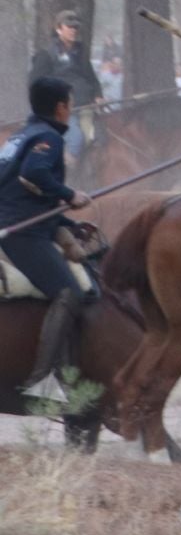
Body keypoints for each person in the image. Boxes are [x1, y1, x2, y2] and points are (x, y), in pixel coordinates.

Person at [0, 78, 94, 399]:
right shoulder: (49, 138)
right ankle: (43, 378)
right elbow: (33, 174)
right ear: (61, 107)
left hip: (22, 222)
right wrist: (70, 195)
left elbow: (22, 190)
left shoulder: (21, 134)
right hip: (23, 233)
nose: (71, 109)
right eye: (70, 103)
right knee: (69, 292)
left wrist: (65, 221)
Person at [29, 11, 103, 160]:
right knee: (76, 138)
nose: (73, 30)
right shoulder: (46, 55)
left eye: (75, 27)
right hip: (61, 112)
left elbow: (92, 78)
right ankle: (65, 176)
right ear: (58, 29)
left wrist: (98, 95)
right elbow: (35, 86)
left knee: (100, 137)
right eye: (69, 26)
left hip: (86, 108)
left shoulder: (80, 53)